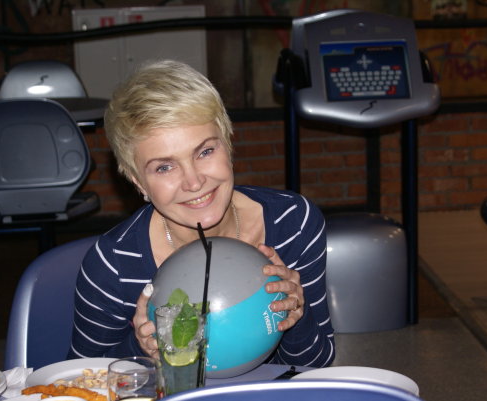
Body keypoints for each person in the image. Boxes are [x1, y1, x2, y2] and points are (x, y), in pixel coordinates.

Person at [67, 60, 335, 367]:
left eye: (205, 151)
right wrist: (140, 349)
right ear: (138, 181)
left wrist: (297, 316)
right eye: (164, 167)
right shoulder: (113, 266)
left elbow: (317, 367)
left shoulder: (294, 223)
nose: (194, 182)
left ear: (228, 143)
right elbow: (80, 378)